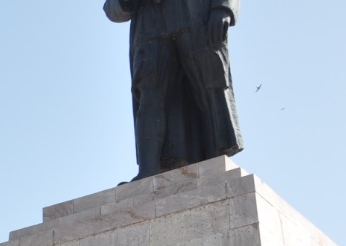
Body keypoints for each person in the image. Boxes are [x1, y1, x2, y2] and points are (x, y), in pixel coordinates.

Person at [103, 0, 244, 181]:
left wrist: (223, 8)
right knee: (149, 95)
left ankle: (213, 162)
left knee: (206, 90)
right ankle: (148, 171)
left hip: (195, 18)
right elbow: (112, 8)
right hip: (149, 25)